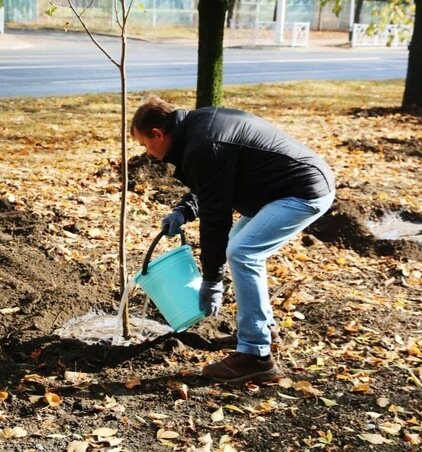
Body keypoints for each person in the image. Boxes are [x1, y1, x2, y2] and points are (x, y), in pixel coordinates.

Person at [130, 96, 335, 383]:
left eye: (144, 144)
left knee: (242, 252)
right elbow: (214, 183)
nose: (147, 153)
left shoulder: (203, 143)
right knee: (241, 247)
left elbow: (216, 217)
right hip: (283, 189)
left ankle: (255, 356)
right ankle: (263, 330)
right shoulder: (197, 131)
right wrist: (185, 210)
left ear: (158, 134)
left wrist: (212, 280)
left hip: (302, 190)